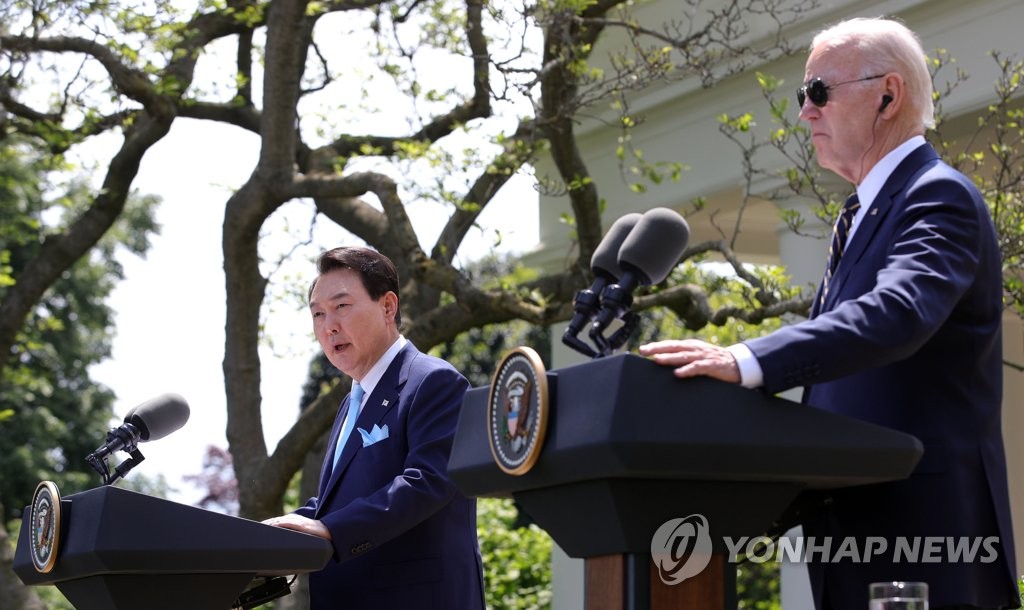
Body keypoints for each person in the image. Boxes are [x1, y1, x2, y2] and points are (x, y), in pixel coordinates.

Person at [639, 17, 1020, 610]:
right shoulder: (859, 216)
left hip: (925, 542)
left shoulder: (938, 196)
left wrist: (744, 358)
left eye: (818, 92)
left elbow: (895, 313)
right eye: (801, 95)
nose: (804, 112)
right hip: (852, 536)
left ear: (887, 95)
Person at [264, 246, 486, 610]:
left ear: (387, 307)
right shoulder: (352, 402)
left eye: (341, 306)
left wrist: (333, 531)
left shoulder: (434, 382)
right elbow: (342, 499)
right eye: (318, 314)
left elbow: (428, 481)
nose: (328, 325)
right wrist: (280, 529)